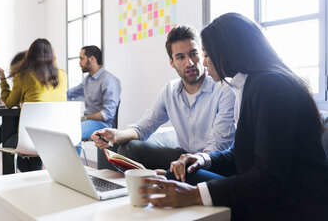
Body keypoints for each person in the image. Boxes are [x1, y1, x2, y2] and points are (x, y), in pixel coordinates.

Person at [140, 13, 328, 220]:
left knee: (182, 181)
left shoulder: (270, 86)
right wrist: (204, 158)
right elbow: (241, 153)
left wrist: (195, 195)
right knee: (184, 172)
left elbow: (269, 177)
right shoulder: (253, 85)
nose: (204, 62)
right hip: (273, 192)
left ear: (228, 52)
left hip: (292, 203)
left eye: (207, 54)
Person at [92, 25, 236, 170]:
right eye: (180, 57)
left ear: (202, 54)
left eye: (193, 53)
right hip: (184, 157)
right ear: (171, 62)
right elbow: (143, 128)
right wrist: (115, 134)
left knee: (184, 169)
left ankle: (167, 179)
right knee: (127, 148)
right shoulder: (170, 91)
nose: (189, 63)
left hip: (212, 161)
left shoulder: (224, 89)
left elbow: (217, 146)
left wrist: (189, 165)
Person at [0, 38, 67, 172]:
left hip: (31, 139)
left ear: (30, 55)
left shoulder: (23, 75)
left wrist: (1, 76)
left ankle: (31, 174)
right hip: (57, 137)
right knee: (35, 141)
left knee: (10, 142)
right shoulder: (63, 75)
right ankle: (34, 176)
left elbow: (9, 103)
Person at [67, 45, 121, 142]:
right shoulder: (88, 80)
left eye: (81, 59)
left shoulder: (109, 80)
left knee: (72, 132)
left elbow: (108, 114)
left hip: (103, 124)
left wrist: (84, 117)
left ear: (92, 59)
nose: (79, 63)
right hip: (88, 121)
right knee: (64, 129)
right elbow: (70, 94)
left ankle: (71, 157)